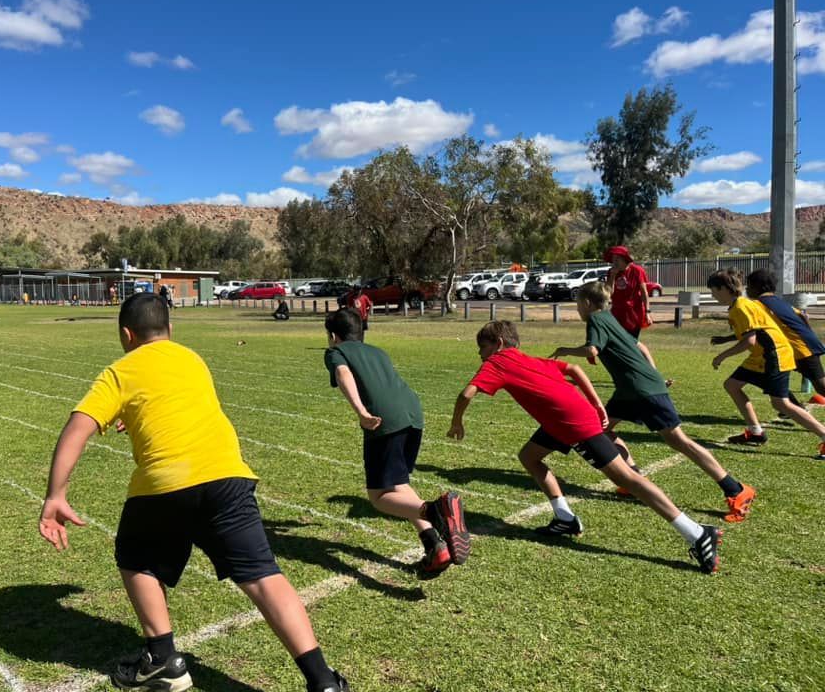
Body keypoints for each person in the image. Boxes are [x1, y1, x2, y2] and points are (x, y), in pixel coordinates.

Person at [39, 293, 349, 692]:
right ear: (170, 330)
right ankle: (322, 680)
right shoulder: (191, 359)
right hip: (227, 476)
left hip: (164, 484)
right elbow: (172, 404)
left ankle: (162, 657)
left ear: (126, 335)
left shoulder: (120, 371)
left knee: (134, 558)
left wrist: (55, 495)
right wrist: (134, 414)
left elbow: (78, 426)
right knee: (262, 575)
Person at [447, 320, 722, 574]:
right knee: (530, 456)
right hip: (563, 419)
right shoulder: (526, 358)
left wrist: (457, 422)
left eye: (482, 347)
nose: (480, 354)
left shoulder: (498, 361)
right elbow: (574, 369)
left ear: (498, 343)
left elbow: (465, 393)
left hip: (572, 424)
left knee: (629, 479)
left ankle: (697, 533)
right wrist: (598, 402)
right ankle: (565, 518)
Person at [550, 282, 756, 522]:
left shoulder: (597, 319)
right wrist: (654, 372)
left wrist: (565, 350)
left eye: (577, 304)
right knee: (600, 429)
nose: (577, 309)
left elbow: (592, 350)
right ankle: (633, 480)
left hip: (642, 390)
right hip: (630, 390)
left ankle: (737, 489)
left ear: (586, 303)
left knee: (680, 441)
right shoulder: (609, 317)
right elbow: (640, 345)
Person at [324, 308, 470, 575]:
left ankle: (437, 510)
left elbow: (343, 375)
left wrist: (362, 413)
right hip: (413, 414)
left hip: (384, 419)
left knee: (379, 497)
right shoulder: (379, 352)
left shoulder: (336, 352)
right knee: (399, 484)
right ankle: (435, 546)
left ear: (333, 335)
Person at [708, 268, 825, 458]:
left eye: (713, 291)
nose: (712, 295)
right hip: (761, 357)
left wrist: (721, 356)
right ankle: (756, 432)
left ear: (723, 289)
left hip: (775, 354)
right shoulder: (742, 304)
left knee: (781, 404)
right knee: (732, 385)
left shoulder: (741, 307)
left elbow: (749, 341)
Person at [745, 269, 825, 408]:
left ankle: (793, 409)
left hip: (800, 349)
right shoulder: (778, 301)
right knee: (769, 377)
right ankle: (792, 409)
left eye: (748, 285)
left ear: (756, 287)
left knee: (821, 386)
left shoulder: (759, 305)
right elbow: (803, 317)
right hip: (799, 346)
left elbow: (753, 329)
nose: (746, 289)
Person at [603, 246, 667, 379]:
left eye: (617, 259)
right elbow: (609, 293)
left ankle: (649, 373)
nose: (614, 262)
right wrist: (613, 276)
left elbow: (644, 293)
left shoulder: (637, 271)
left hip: (633, 314)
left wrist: (647, 312)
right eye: (613, 259)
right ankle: (637, 372)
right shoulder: (611, 273)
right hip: (617, 313)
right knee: (621, 344)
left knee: (630, 343)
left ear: (624, 259)